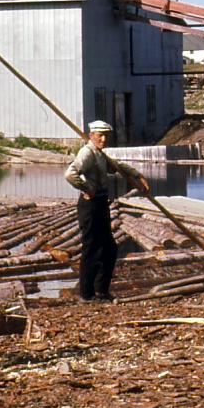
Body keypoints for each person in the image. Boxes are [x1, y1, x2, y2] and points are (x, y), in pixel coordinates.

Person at [65, 120, 149, 302]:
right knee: (92, 248)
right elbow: (70, 174)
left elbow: (116, 166)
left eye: (106, 136)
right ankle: (87, 295)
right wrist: (86, 188)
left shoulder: (99, 154)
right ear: (91, 136)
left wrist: (136, 174)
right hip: (90, 205)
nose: (103, 139)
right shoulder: (87, 153)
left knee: (109, 248)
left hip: (101, 203)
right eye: (100, 135)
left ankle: (101, 291)